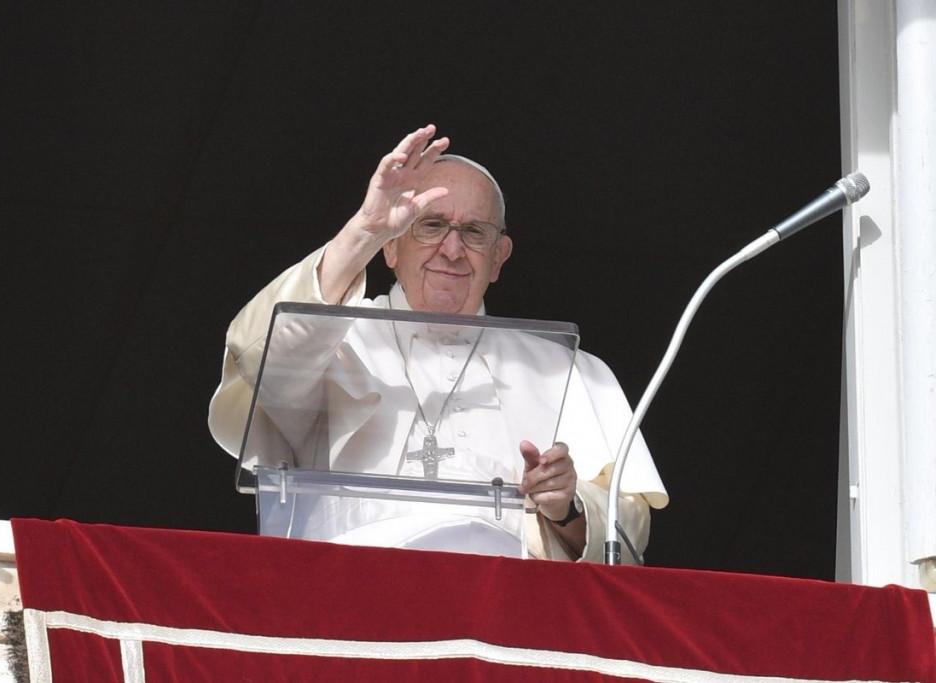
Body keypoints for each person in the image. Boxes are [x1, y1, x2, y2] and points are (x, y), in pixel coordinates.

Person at [209, 125, 667, 562]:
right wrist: (364, 230)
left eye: (473, 233)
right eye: (430, 226)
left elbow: (629, 534)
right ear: (390, 247)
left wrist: (569, 507)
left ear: (498, 258)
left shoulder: (565, 370)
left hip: (508, 611)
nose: (451, 250)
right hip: (351, 601)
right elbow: (258, 359)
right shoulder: (333, 339)